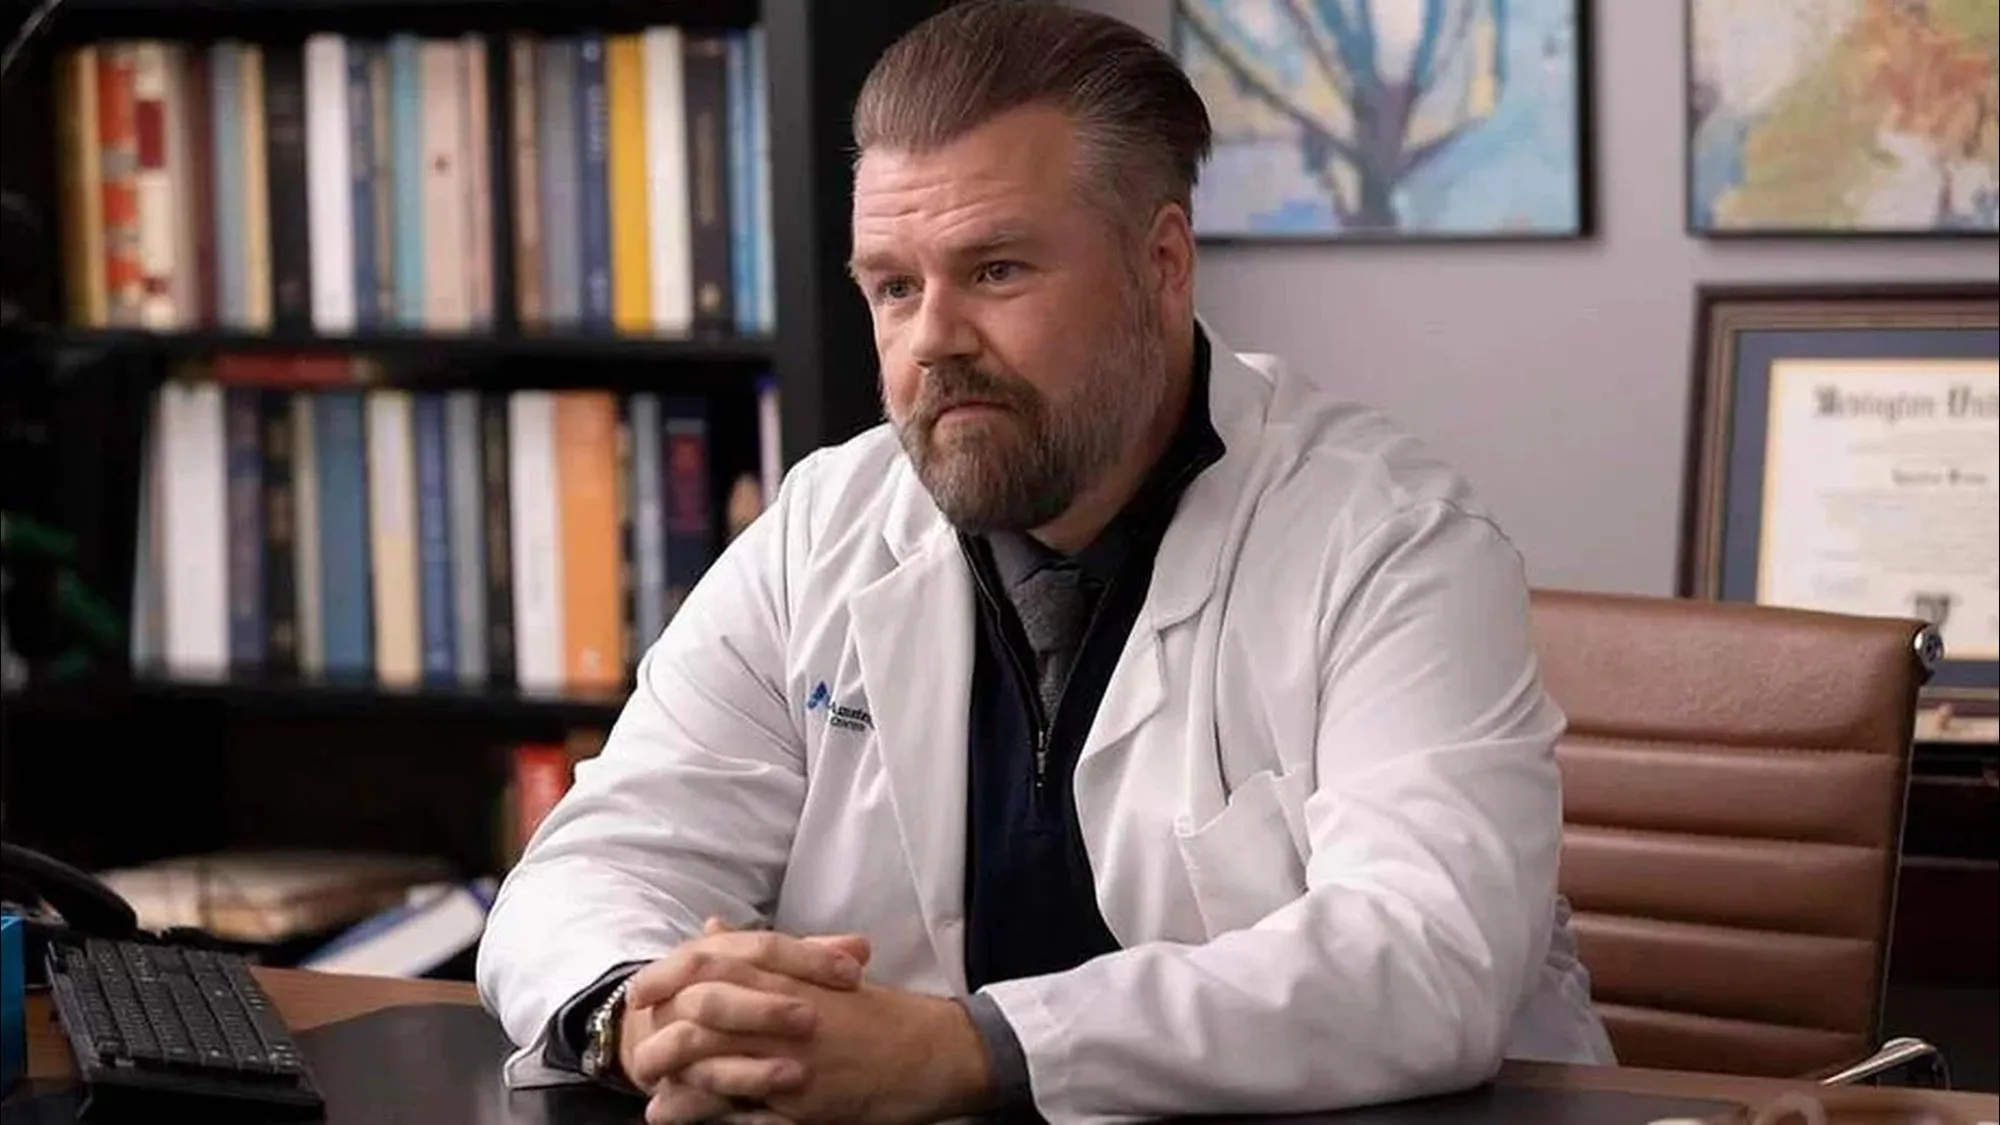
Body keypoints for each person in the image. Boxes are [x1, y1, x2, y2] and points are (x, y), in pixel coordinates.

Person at [475, 3, 1616, 1122]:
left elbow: (1426, 956)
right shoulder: (825, 526)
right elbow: (591, 867)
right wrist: (642, 1013)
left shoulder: (1390, 542)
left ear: (1162, 263)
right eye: (894, 287)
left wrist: (968, 1051)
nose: (933, 339)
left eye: (997, 270)